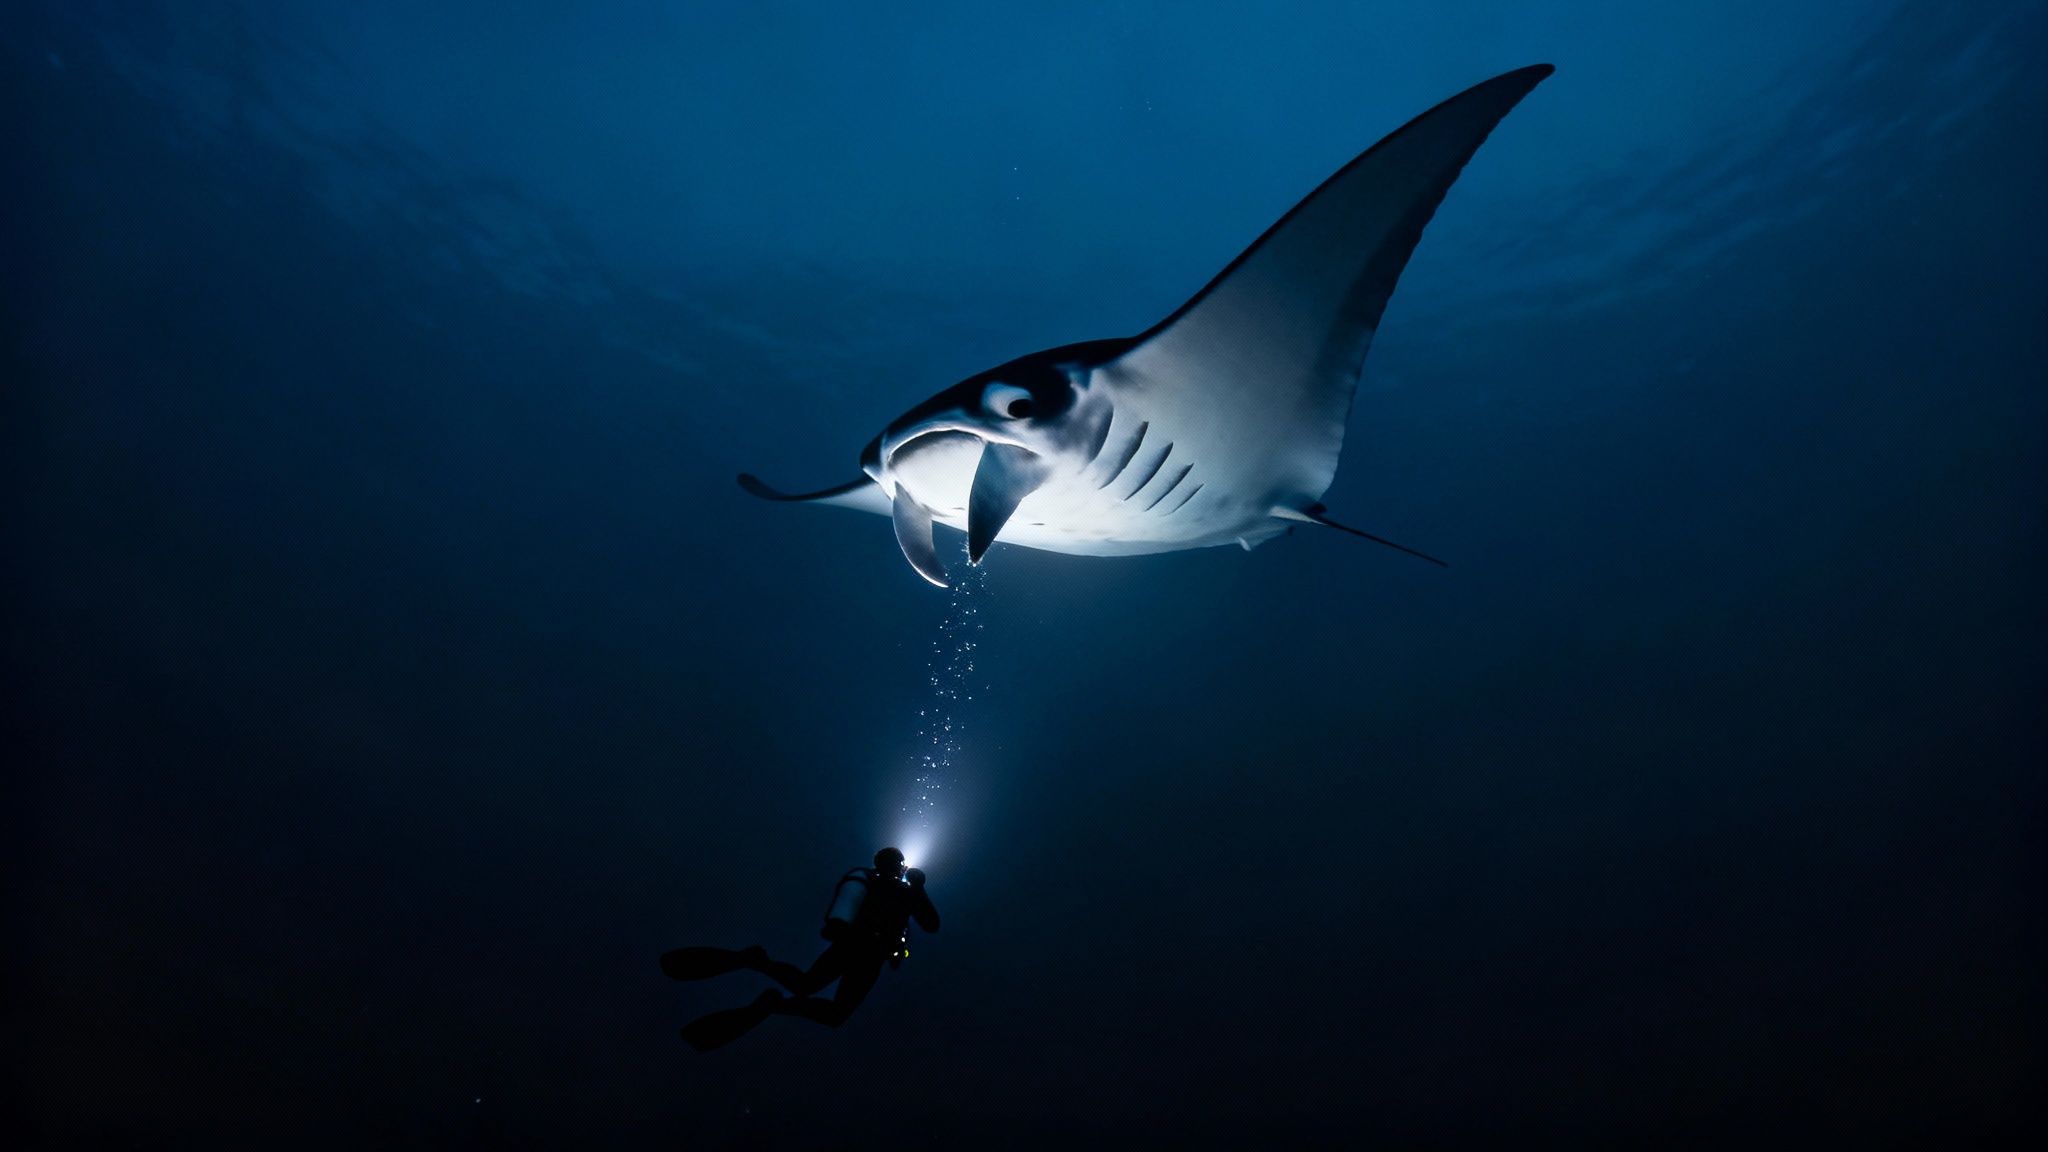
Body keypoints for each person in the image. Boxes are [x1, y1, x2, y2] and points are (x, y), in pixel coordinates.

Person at [664, 847, 940, 1050]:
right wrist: (841, 925)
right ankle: (760, 971)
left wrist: (918, 888)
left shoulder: (906, 892)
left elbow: (930, 924)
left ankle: (768, 991)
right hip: (854, 947)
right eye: (897, 863)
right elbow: (851, 906)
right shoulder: (873, 881)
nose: (899, 868)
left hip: (870, 957)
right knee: (810, 991)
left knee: (827, 1007)